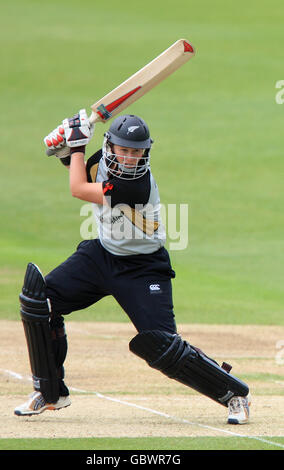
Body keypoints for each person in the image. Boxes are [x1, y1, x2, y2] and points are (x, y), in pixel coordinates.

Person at [14, 110, 250, 424]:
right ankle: (50, 391)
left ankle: (234, 394)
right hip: (100, 256)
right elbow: (77, 171)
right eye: (123, 150)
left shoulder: (136, 184)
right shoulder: (103, 160)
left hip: (143, 268)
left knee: (162, 348)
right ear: (110, 146)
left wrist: (77, 146)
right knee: (38, 302)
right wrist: (65, 144)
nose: (128, 158)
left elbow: (78, 189)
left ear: (145, 153)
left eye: (136, 152)